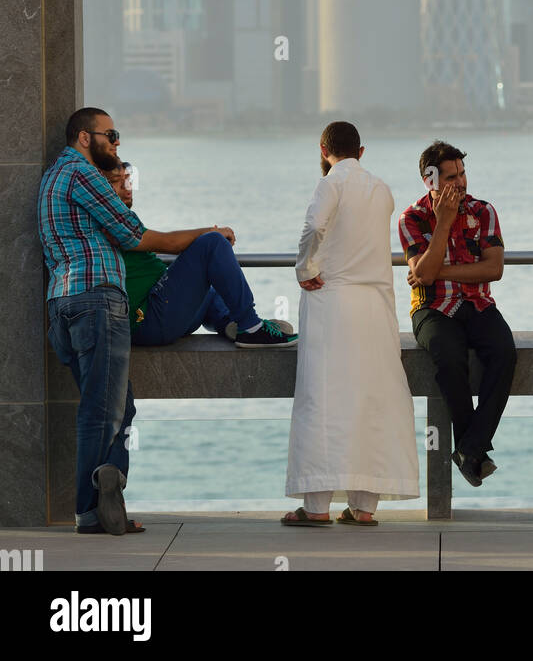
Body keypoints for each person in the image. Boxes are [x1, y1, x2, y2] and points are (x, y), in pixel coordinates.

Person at [282, 122, 419, 526]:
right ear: (361, 151)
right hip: (376, 304)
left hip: (333, 301)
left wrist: (305, 268)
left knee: (323, 399)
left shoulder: (330, 183)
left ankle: (316, 507)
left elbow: (315, 226)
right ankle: (364, 507)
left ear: (324, 149)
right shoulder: (382, 190)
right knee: (373, 399)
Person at [38, 108, 146, 535]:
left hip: (62, 306)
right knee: (101, 415)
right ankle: (90, 511)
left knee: (120, 406)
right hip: (96, 303)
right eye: (111, 135)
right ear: (85, 137)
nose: (117, 143)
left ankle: (108, 488)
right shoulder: (82, 175)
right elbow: (132, 232)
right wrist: (204, 235)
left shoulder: (53, 176)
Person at [399, 140, 516, 488]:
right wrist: (444, 222)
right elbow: (423, 275)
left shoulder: (483, 211)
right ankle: (473, 452)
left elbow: (493, 270)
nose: (461, 183)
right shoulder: (412, 218)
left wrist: (434, 271)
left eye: (463, 173)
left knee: (505, 353)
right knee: (448, 358)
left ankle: (469, 448)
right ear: (430, 180)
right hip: (431, 307)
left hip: (477, 302)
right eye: (451, 177)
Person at [106, 162, 295, 349]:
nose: (127, 186)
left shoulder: (119, 220)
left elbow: (153, 245)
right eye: (116, 180)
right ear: (99, 188)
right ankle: (251, 327)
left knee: (210, 287)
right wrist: (211, 232)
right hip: (149, 320)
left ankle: (229, 323)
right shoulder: (111, 222)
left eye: (128, 178)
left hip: (162, 317)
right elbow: (168, 242)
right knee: (212, 243)